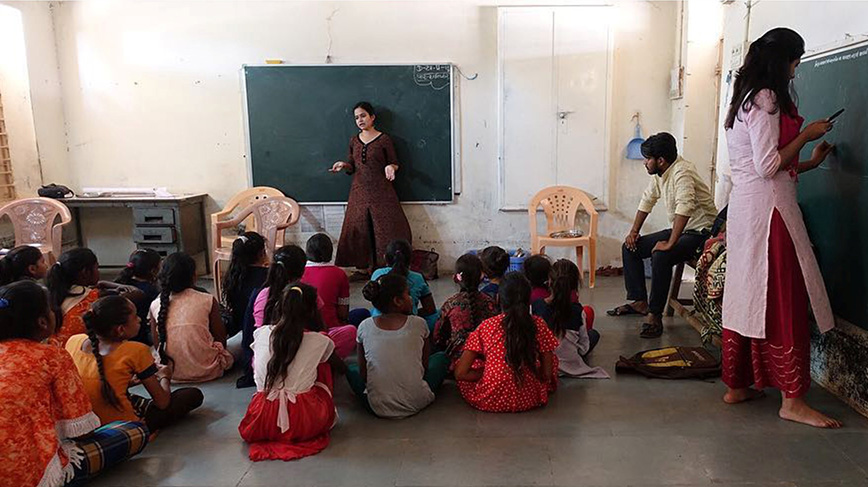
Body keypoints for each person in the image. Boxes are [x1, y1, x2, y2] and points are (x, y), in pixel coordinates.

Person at [722, 27, 839, 428]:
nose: (795, 71)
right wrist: (806, 135)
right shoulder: (767, 98)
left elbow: (772, 168)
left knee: (748, 295)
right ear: (781, 61)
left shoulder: (742, 98)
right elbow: (768, 166)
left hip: (748, 211)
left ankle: (737, 385)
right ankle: (792, 400)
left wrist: (811, 159)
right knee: (784, 297)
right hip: (771, 217)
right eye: (795, 62)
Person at [0, 280, 149, 487]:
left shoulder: (71, 343)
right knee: (134, 431)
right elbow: (81, 431)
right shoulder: (52, 355)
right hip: (29, 473)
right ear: (43, 322)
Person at [608, 132, 718, 338]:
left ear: (660, 160)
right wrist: (633, 232)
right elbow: (647, 200)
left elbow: (685, 207)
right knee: (630, 247)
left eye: (647, 159)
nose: (644, 163)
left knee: (662, 255)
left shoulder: (682, 172)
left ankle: (655, 314)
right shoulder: (662, 173)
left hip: (702, 233)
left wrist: (670, 243)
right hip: (683, 229)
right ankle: (640, 301)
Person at [67, 295, 203, 430]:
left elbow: (93, 380)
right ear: (120, 329)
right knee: (191, 395)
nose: (139, 319)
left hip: (84, 423)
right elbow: (162, 402)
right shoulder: (136, 350)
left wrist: (127, 382)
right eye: (135, 316)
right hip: (123, 427)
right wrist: (165, 376)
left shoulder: (74, 341)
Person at [239, 283, 337, 461]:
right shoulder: (319, 340)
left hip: (262, 417)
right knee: (323, 365)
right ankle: (320, 412)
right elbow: (333, 363)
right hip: (304, 419)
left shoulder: (261, 333)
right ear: (313, 311)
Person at [329, 101, 412, 281]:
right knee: (360, 226)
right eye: (357, 117)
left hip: (381, 189)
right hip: (359, 190)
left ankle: (386, 266)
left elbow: (394, 161)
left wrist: (391, 168)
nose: (360, 120)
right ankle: (363, 268)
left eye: (363, 116)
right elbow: (352, 165)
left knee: (386, 227)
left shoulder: (384, 139)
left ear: (372, 117)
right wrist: (344, 165)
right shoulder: (353, 140)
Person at [346, 273, 448, 418]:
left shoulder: (364, 326)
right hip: (417, 401)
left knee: (351, 369)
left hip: (377, 406)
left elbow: (363, 373)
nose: (411, 298)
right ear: (398, 301)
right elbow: (424, 367)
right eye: (408, 294)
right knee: (441, 358)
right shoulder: (419, 323)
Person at [455, 272, 559, 412]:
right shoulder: (538, 324)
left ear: (498, 299)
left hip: (491, 399)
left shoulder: (487, 326)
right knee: (553, 359)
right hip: (530, 398)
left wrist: (488, 373)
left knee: (472, 363)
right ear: (529, 301)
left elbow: (460, 373)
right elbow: (547, 373)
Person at [149, 252, 234, 383]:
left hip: (170, 373)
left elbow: (157, 344)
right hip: (209, 370)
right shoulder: (207, 299)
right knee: (241, 339)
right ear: (194, 276)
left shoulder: (156, 304)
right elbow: (221, 340)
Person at [47, 248, 141, 348]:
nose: (98, 271)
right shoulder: (94, 297)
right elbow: (138, 293)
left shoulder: (52, 294)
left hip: (56, 351)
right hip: (78, 354)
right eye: (97, 267)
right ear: (85, 272)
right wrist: (107, 283)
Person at [532, 259, 606, 378]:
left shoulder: (536, 306)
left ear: (549, 281)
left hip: (545, 364)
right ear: (574, 284)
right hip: (569, 363)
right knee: (593, 334)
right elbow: (583, 348)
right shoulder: (577, 311)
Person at [433, 254, 498, 369]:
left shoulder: (450, 304)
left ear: (455, 278)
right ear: (482, 277)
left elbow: (438, 336)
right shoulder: (490, 303)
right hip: (487, 362)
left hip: (458, 364)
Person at [301, 232, 370, 329]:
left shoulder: (299, 273)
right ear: (330, 252)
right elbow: (343, 313)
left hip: (303, 330)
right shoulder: (339, 274)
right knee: (363, 314)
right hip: (331, 329)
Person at [370, 239, 438, 330]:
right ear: (411, 259)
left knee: (371, 312)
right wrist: (415, 313)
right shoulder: (418, 278)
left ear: (385, 257)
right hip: (410, 324)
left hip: (379, 323)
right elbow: (430, 309)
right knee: (437, 314)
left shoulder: (377, 274)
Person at [221, 232, 269, 337]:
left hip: (238, 332)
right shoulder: (268, 276)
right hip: (259, 333)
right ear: (261, 253)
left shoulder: (232, 275)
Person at [115, 248, 162, 345]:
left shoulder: (121, 283)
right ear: (153, 271)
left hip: (121, 334)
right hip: (140, 336)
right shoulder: (151, 291)